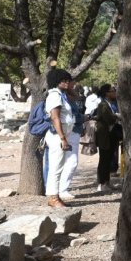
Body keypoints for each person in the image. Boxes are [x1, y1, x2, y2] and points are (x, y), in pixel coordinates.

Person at [43, 68, 76, 208]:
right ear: (57, 81)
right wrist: (63, 138)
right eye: (64, 81)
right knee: (55, 167)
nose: (67, 83)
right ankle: (53, 197)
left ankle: (55, 196)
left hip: (63, 135)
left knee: (59, 166)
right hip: (57, 136)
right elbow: (55, 117)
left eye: (68, 81)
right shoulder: (54, 96)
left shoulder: (62, 95)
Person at [93, 84, 121, 192]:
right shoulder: (103, 105)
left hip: (111, 135)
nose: (114, 92)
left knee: (109, 159)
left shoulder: (110, 104)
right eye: (112, 90)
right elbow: (109, 118)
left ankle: (107, 182)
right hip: (104, 136)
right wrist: (117, 116)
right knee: (104, 160)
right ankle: (101, 183)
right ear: (106, 93)